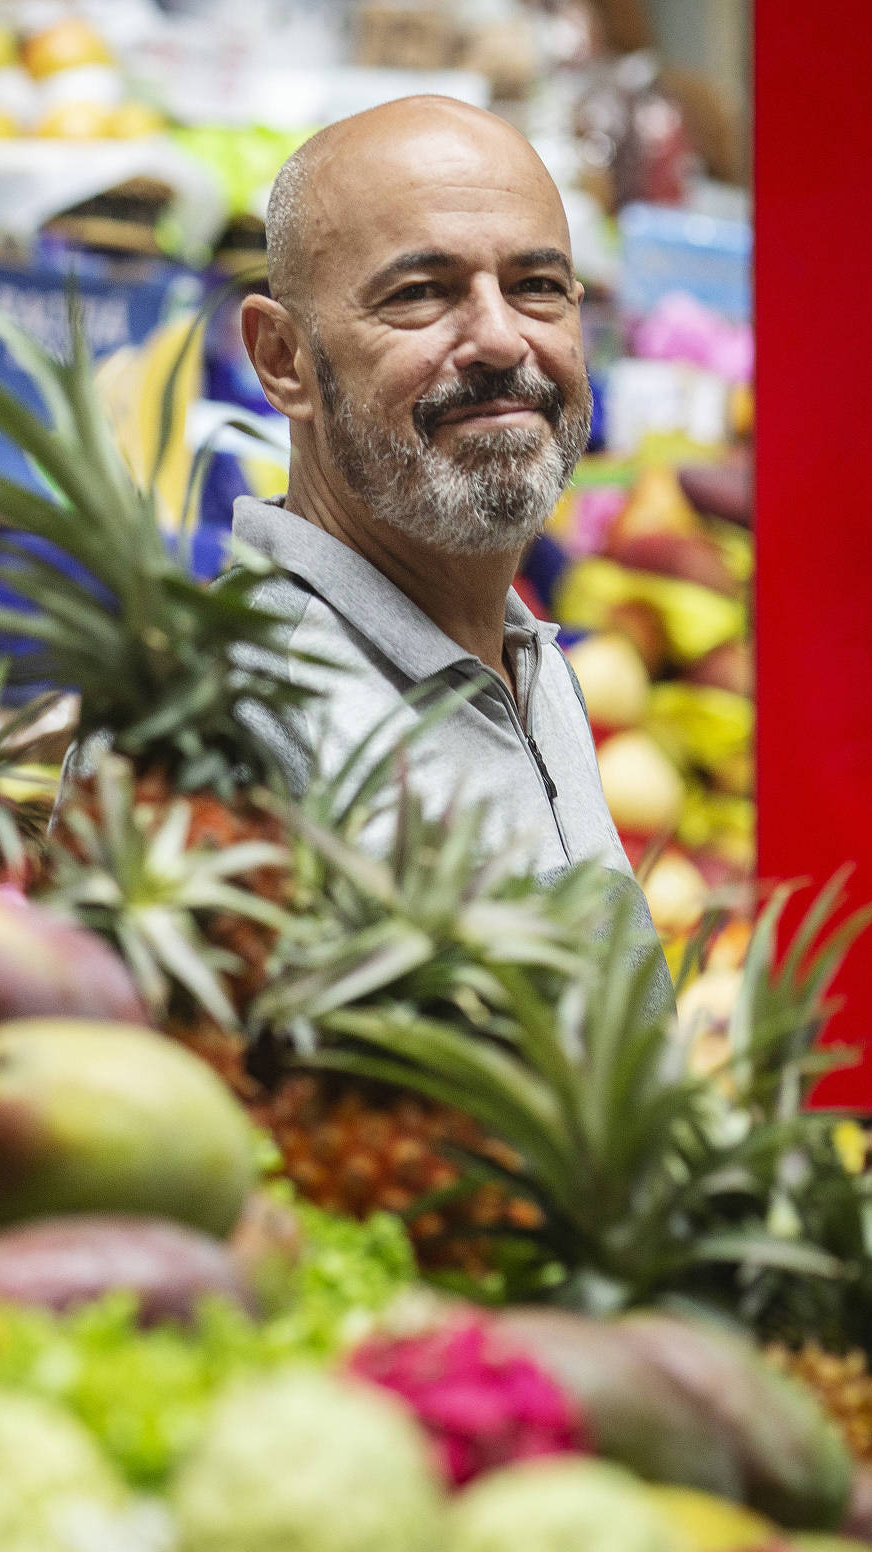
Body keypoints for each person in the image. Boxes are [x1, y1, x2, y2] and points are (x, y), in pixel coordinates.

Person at [232, 95, 661, 962]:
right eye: (421, 294)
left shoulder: (528, 661)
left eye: (537, 287)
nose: (502, 340)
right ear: (285, 362)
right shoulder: (241, 715)